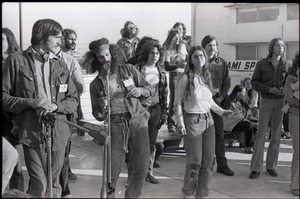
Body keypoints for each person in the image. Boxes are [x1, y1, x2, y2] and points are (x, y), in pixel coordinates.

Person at [2, 18, 78, 198]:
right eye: (56, 37)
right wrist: (31, 102)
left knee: (54, 185)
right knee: (40, 184)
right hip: (31, 133)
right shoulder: (16, 61)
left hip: (59, 133)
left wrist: (55, 106)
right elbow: (3, 97)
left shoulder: (60, 64)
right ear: (42, 36)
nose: (61, 41)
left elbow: (73, 98)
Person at [82, 38, 153, 198]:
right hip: (115, 125)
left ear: (112, 53)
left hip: (137, 121)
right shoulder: (95, 84)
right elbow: (97, 116)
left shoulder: (128, 70)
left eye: (107, 54)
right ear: (95, 60)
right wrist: (102, 107)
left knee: (141, 167)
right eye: (101, 57)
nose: (106, 59)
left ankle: (132, 196)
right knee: (112, 170)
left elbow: (150, 88)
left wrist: (140, 91)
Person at [174, 46, 233, 198]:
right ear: (191, 60)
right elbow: (177, 103)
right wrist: (180, 122)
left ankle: (202, 194)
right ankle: (187, 193)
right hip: (192, 121)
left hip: (209, 121)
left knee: (208, 162)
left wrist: (221, 111)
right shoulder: (186, 78)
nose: (199, 58)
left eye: (201, 55)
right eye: (195, 56)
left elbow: (209, 102)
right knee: (195, 162)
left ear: (205, 58)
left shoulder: (206, 77)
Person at [52, 29, 86, 197]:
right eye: (70, 39)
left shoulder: (71, 61)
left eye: (75, 39)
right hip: (48, 110)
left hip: (66, 109)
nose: (73, 42)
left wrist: (67, 83)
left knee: (64, 150)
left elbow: (81, 87)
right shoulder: (48, 57)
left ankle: (64, 189)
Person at [249, 38, 288, 179]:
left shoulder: (287, 65)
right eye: (277, 45)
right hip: (266, 100)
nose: (280, 48)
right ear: (271, 48)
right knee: (261, 133)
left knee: (276, 134)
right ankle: (255, 168)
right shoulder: (261, 64)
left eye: (282, 46)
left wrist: (284, 88)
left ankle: (271, 166)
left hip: (281, 102)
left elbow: (291, 82)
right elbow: (254, 82)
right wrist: (269, 89)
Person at [134, 37, 169, 184]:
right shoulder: (137, 69)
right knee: (138, 144)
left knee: (152, 144)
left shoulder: (161, 72)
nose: (155, 55)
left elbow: (165, 93)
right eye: (152, 53)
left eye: (157, 53)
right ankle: (136, 174)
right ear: (146, 54)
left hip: (157, 109)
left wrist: (165, 112)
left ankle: (149, 172)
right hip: (141, 110)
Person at [201, 35, 234, 176]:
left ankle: (222, 164)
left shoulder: (221, 63)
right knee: (202, 134)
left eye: (214, 45)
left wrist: (221, 97)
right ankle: (205, 164)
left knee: (219, 135)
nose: (212, 48)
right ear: (204, 47)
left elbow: (226, 81)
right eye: (209, 45)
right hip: (201, 103)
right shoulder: (199, 61)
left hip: (217, 103)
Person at [2, 27, 25, 193]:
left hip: (12, 121)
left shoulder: (16, 62)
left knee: (16, 167)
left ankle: (17, 194)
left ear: (10, 41)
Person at [163, 28, 188, 132]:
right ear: (170, 38)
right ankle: (171, 123)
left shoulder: (182, 48)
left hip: (184, 74)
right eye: (175, 38)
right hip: (174, 75)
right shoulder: (168, 51)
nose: (177, 40)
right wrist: (178, 65)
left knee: (184, 98)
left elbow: (187, 58)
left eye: (178, 38)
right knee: (174, 99)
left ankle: (181, 122)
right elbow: (167, 67)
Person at [222, 85, 258, 154]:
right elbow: (235, 116)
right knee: (249, 125)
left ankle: (255, 146)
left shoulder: (241, 101)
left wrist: (255, 121)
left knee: (255, 124)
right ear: (238, 93)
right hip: (231, 124)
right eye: (243, 92)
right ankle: (249, 146)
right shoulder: (229, 102)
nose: (245, 94)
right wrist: (252, 122)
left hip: (240, 121)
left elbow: (247, 113)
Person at [283, 52, 299, 196]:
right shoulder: (290, 78)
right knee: (299, 150)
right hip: (296, 115)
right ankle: (295, 186)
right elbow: (290, 98)